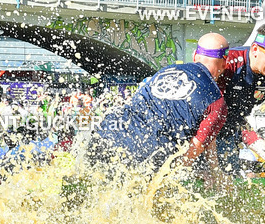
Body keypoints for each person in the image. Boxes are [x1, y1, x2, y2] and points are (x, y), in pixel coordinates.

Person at [86, 33, 230, 173]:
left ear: (194, 56)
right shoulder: (217, 102)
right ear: (224, 62)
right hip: (147, 151)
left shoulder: (166, 69)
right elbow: (190, 154)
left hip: (109, 130)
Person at [215, 23, 265, 189]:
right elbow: (209, 113)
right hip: (207, 124)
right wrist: (256, 143)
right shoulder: (229, 63)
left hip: (233, 127)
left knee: (231, 184)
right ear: (255, 50)